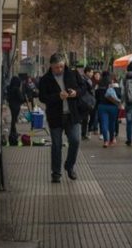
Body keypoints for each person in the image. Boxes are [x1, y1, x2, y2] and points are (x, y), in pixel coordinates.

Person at [38, 53, 85, 183]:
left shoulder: (72, 74)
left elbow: (83, 88)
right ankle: (56, 172)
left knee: (75, 141)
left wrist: (76, 93)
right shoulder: (45, 79)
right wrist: (58, 96)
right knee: (56, 145)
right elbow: (42, 97)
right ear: (51, 66)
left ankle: (69, 166)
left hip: (72, 114)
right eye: (56, 67)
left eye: (61, 66)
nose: (59, 69)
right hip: (55, 116)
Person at [96, 71, 120, 148]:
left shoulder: (99, 85)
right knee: (112, 124)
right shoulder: (113, 85)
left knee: (103, 123)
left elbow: (96, 96)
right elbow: (119, 96)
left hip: (102, 106)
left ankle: (105, 141)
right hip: (113, 107)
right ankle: (111, 140)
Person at [6, 76, 25, 145]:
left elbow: (7, 97)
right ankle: (13, 134)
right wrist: (24, 98)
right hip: (16, 106)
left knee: (13, 120)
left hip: (11, 105)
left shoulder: (9, 88)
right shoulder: (16, 89)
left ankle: (13, 132)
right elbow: (21, 98)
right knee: (14, 120)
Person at [79, 67, 94, 140]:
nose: (92, 74)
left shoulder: (88, 80)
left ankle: (83, 133)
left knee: (85, 118)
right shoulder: (84, 80)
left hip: (86, 101)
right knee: (84, 118)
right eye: (91, 72)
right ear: (87, 72)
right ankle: (83, 133)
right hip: (84, 101)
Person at [88, 70, 101, 136]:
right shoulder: (92, 83)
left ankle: (94, 128)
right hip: (93, 102)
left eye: (98, 75)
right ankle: (92, 128)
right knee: (94, 116)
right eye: (96, 75)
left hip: (99, 102)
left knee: (97, 116)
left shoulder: (101, 83)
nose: (97, 76)